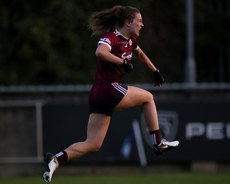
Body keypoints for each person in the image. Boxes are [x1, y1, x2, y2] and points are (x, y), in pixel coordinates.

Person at [42, 5, 179, 183]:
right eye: (139, 21)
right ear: (128, 22)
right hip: (108, 89)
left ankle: (56, 160)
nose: (142, 25)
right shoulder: (111, 37)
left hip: (98, 94)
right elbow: (100, 52)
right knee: (148, 98)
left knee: (93, 144)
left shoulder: (131, 41)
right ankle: (158, 142)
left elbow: (140, 54)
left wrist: (155, 70)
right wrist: (122, 62)